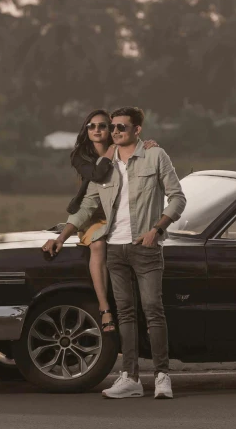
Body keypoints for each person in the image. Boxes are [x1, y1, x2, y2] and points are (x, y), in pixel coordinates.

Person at [42, 106, 186, 400]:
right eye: (114, 127)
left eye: (122, 127)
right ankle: (130, 378)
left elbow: (178, 197)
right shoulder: (105, 166)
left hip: (144, 247)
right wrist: (62, 236)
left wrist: (157, 230)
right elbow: (87, 207)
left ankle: (162, 376)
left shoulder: (155, 156)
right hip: (114, 250)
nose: (116, 131)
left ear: (137, 130)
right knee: (126, 315)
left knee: (153, 311)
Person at [43, 110, 158, 334]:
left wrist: (148, 145)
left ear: (110, 129)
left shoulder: (123, 150)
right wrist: (61, 238)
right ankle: (105, 308)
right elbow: (96, 175)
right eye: (91, 126)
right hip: (93, 212)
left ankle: (139, 308)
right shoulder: (80, 155)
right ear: (86, 130)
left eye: (102, 126)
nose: (96, 130)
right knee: (98, 244)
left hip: (118, 212)